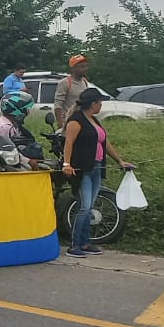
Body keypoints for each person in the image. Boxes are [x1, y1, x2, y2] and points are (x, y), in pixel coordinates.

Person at [61, 88, 135, 258]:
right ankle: (74, 245)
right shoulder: (76, 121)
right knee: (84, 207)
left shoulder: (93, 120)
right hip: (82, 169)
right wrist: (67, 164)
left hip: (97, 168)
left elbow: (105, 143)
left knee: (90, 207)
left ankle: (86, 242)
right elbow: (69, 143)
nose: (101, 105)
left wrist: (119, 161)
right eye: (100, 102)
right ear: (93, 104)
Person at [53, 54, 93, 127]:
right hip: (68, 121)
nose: (85, 68)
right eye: (82, 66)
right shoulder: (65, 83)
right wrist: (60, 123)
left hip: (82, 121)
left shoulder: (84, 82)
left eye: (86, 66)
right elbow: (58, 104)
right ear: (73, 68)